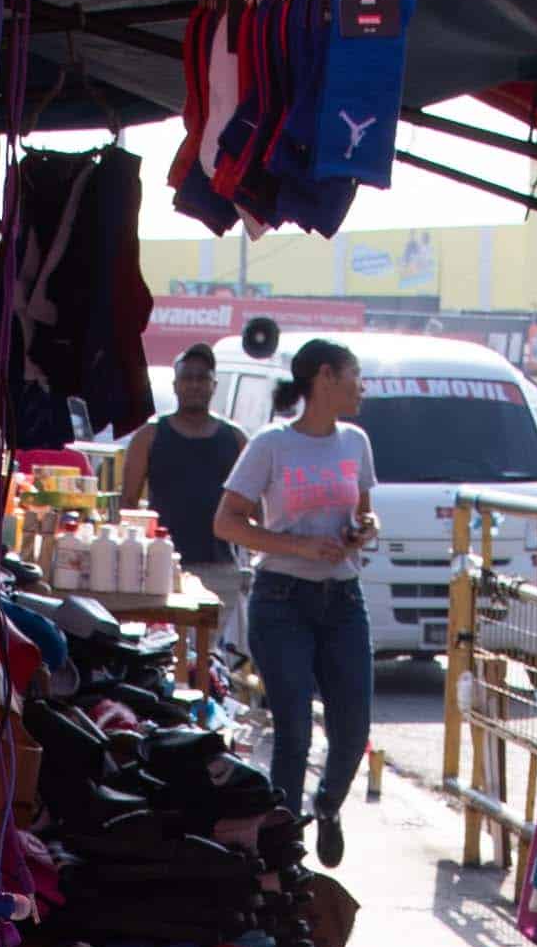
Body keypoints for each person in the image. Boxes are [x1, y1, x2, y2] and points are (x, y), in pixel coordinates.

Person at [218, 338, 379, 866]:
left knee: (352, 727)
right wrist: (299, 545)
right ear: (327, 377)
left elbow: (365, 512)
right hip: (281, 599)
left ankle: (327, 806)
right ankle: (281, 849)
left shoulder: (355, 442)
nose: (362, 388)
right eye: (356, 376)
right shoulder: (272, 444)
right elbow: (227, 522)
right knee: (293, 730)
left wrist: (362, 530)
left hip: (342, 597)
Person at [132, 345, 248, 674]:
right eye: (188, 377)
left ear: (213, 385)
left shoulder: (235, 438)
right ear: (175, 385)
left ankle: (208, 721)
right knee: (166, 657)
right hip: (163, 569)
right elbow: (127, 504)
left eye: (203, 378)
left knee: (208, 664)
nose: (195, 384)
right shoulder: (151, 435)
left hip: (220, 568)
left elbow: (255, 507)